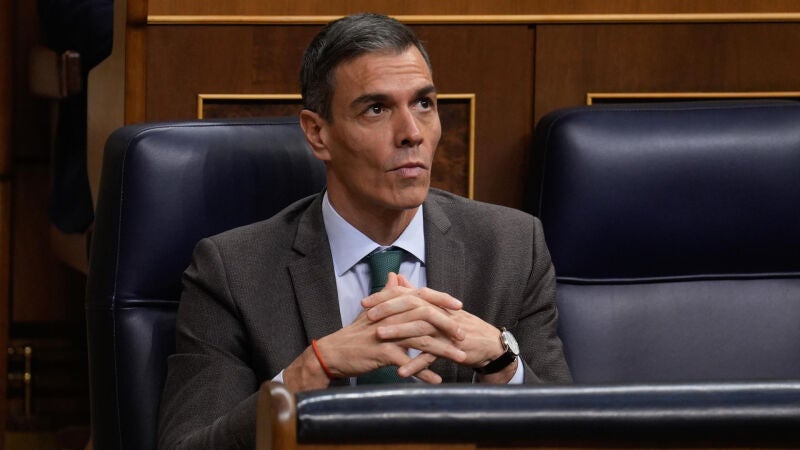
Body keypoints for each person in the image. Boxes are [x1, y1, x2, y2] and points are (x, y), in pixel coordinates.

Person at [158, 12, 571, 449]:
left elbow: (570, 437)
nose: (412, 133)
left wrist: (502, 363)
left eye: (424, 103)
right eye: (377, 109)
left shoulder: (511, 246)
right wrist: (309, 372)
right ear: (318, 134)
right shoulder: (233, 270)